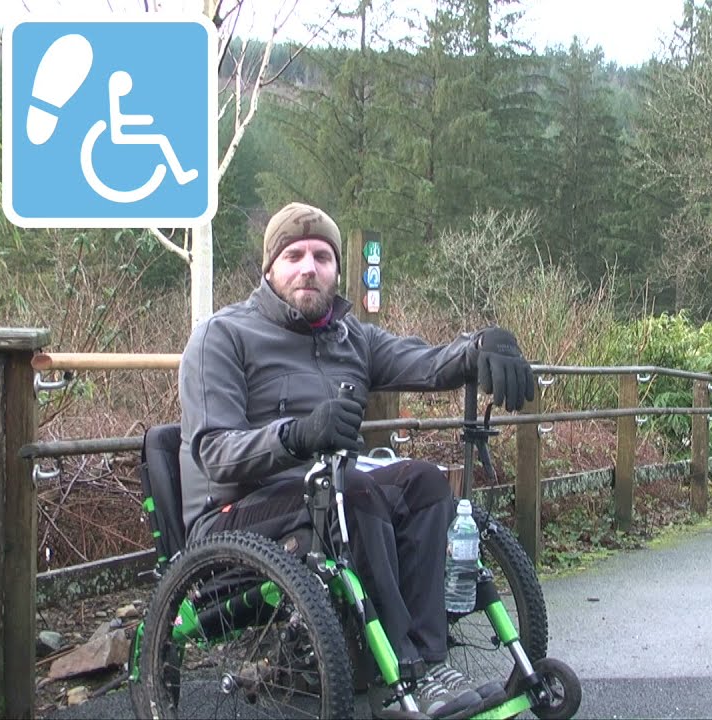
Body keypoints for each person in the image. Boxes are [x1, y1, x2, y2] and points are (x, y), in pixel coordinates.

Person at [177, 201, 534, 719]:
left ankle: (430, 665)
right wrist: (297, 435)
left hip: (330, 500)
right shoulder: (222, 336)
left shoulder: (351, 337)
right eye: (294, 255)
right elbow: (214, 453)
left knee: (425, 481)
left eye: (322, 257)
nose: (308, 267)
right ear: (269, 268)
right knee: (353, 491)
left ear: (337, 270)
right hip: (234, 517)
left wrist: (481, 345)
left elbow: (427, 362)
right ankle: (401, 674)